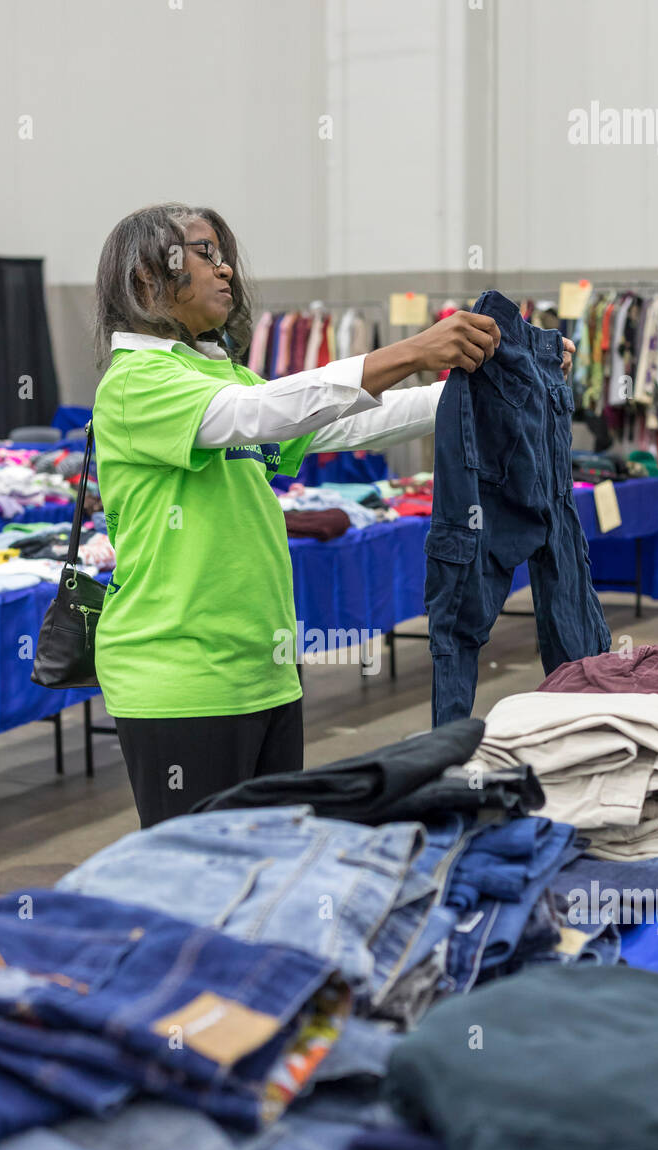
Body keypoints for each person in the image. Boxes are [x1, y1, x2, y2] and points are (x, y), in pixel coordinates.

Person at [92, 203, 573, 827]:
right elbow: (262, 412)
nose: (227, 269)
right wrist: (411, 351)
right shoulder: (137, 381)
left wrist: (499, 381)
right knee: (203, 883)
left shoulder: (214, 372)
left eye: (224, 253)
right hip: (181, 679)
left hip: (262, 671)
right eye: (204, 253)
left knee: (273, 869)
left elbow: (342, 422)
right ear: (144, 280)